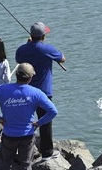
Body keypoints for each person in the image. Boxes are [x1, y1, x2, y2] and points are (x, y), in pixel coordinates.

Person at [0, 63, 58, 170]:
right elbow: (53, 111)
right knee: (26, 165)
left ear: (16, 75)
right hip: (27, 135)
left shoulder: (2, 89)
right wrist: (39, 123)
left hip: (9, 135)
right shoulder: (35, 92)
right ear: (30, 77)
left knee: (5, 164)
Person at [15, 22, 66, 161]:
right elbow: (62, 58)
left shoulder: (22, 49)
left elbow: (19, 59)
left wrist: (27, 45)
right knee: (45, 121)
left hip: (26, 90)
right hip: (44, 92)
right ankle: (47, 153)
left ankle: (23, 151)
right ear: (43, 36)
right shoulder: (47, 49)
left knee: (25, 120)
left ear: (31, 35)